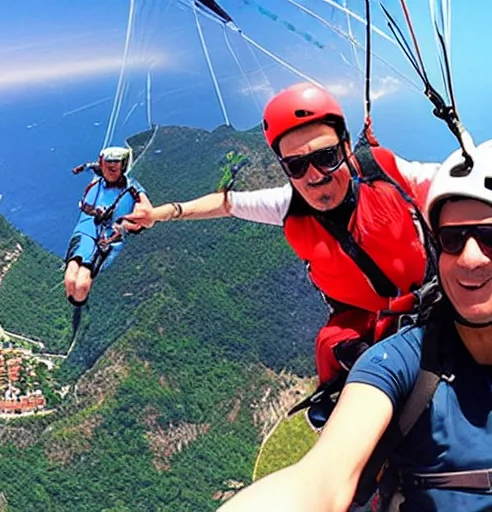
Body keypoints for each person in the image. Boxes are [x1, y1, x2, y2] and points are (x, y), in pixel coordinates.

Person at [217, 137, 492, 512]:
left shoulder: (385, 177)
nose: (470, 258)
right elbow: (319, 480)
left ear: (343, 149)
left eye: (490, 238)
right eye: (452, 239)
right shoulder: (403, 362)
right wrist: (167, 212)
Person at [124, 82, 440, 390]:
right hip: (368, 329)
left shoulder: (384, 173)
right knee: (335, 351)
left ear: (345, 148)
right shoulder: (289, 206)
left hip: (440, 298)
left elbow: (451, 183)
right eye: (297, 165)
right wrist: (159, 214)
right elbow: (226, 203)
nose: (314, 175)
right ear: (285, 168)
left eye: (326, 157)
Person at [64, 146, 151, 307]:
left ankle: (78, 299)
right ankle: (76, 299)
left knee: (81, 284)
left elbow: (145, 208)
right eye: (108, 165)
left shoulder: (132, 189)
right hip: (89, 227)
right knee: (71, 278)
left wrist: (131, 222)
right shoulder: (99, 175)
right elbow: (93, 167)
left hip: (109, 236)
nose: (111, 170)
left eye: (116, 167)